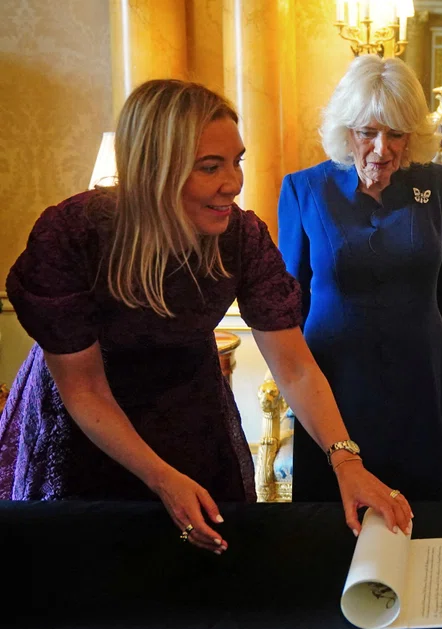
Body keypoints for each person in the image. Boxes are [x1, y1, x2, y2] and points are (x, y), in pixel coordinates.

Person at [0, 79, 412, 553]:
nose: (234, 183)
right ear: (154, 170)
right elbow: (86, 390)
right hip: (85, 426)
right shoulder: (72, 237)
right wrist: (161, 479)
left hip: (190, 412)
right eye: (210, 167)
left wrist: (346, 462)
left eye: (236, 161)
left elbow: (296, 367)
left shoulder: (242, 238)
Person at [277, 55, 442, 502]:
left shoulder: (436, 183)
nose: (382, 149)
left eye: (396, 134)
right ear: (347, 131)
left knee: (429, 513)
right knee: (336, 522)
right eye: (367, 132)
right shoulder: (304, 189)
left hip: (421, 377)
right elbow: (290, 304)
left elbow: (440, 288)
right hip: (336, 383)